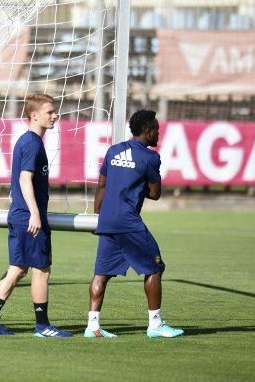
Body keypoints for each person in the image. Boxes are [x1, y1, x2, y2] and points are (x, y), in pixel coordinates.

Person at [85, 109, 184, 339]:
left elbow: (102, 185)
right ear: (147, 131)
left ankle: (92, 326)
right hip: (128, 221)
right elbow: (155, 193)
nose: (159, 133)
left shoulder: (113, 151)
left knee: (101, 273)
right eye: (157, 129)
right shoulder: (150, 158)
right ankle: (155, 324)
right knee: (155, 267)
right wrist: (137, 185)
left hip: (107, 219)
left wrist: (98, 216)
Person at [0, 94, 71, 338]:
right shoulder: (31, 142)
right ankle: (42, 326)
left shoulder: (29, 141)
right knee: (41, 270)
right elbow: (24, 178)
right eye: (49, 112)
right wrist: (34, 213)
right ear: (34, 115)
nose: (54, 116)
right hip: (27, 217)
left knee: (17, 269)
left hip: (19, 215)